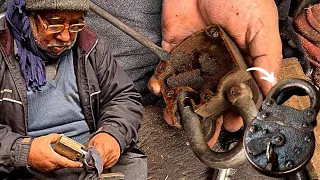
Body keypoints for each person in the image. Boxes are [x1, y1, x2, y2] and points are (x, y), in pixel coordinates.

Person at [0, 0, 146, 179]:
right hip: (26, 168)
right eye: (54, 24)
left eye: (75, 24)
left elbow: (123, 97)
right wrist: (24, 152)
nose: (66, 37)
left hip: (90, 159)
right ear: (29, 15)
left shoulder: (90, 46)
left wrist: (113, 134)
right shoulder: (3, 49)